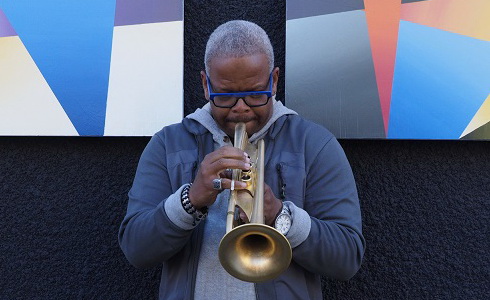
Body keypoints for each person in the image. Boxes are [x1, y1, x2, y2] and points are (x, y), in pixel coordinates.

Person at [119, 20, 365, 299]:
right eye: (225, 96)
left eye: (254, 94)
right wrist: (190, 200)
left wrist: (279, 214)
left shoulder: (314, 145)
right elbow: (136, 249)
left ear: (273, 81)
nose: (240, 108)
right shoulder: (168, 144)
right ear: (205, 84)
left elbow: (347, 257)